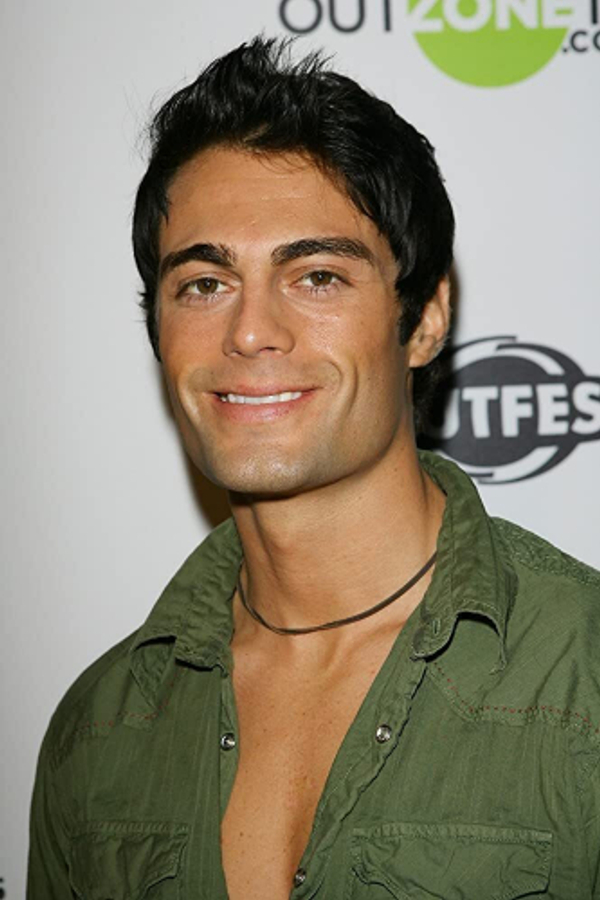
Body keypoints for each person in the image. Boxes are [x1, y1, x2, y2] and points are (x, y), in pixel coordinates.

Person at [28, 36, 600, 900]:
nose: (251, 331)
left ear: (425, 318)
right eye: (204, 284)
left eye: (318, 276)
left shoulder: (584, 675)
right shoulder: (100, 727)